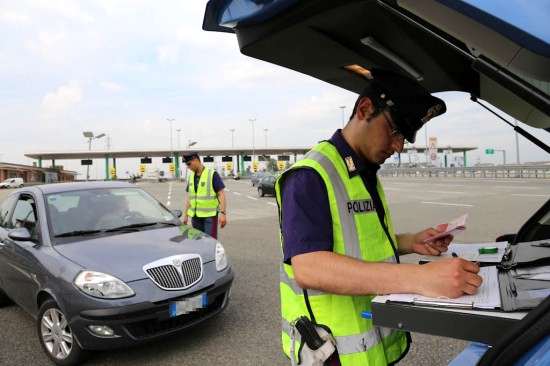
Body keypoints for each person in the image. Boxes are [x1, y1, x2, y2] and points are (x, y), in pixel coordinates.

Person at [275, 69, 483, 366]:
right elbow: (310, 267)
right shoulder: (311, 175)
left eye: (405, 138)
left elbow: (358, 242)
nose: (399, 147)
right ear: (364, 110)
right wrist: (421, 278)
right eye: (395, 131)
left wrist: (411, 242)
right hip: (334, 354)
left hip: (371, 344)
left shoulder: (363, 171)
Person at [182, 153, 227, 238]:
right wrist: (186, 216)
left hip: (209, 217)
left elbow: (221, 194)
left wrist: (223, 214)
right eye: (186, 165)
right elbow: (189, 198)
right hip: (195, 218)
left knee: (210, 242)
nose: (188, 167)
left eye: (189, 164)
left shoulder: (212, 174)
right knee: (199, 242)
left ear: (196, 160)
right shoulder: (191, 177)